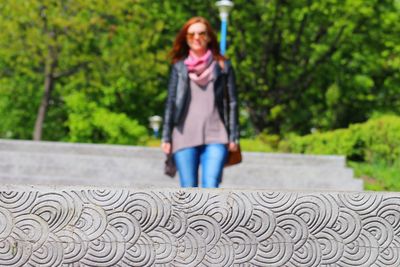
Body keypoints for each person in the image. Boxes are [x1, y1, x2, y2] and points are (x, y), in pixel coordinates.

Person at [161, 16, 239, 188]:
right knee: (188, 190)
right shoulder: (179, 67)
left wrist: (234, 136)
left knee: (211, 188)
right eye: (191, 34)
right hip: (184, 134)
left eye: (202, 33)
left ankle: (211, 217)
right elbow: (171, 102)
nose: (196, 38)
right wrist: (166, 136)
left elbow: (232, 102)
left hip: (216, 135)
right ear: (185, 39)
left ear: (209, 37)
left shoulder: (223, 65)